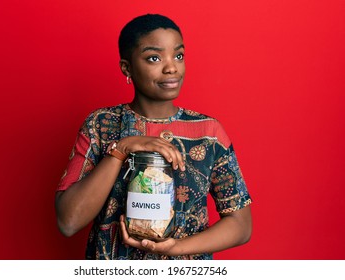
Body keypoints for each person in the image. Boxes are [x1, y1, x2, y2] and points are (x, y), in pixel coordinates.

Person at [55, 14, 252, 260]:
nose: (171, 67)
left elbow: (241, 225)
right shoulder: (101, 125)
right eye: (154, 58)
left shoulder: (208, 133)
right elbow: (68, 221)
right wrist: (122, 149)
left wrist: (175, 247)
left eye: (178, 55)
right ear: (127, 68)